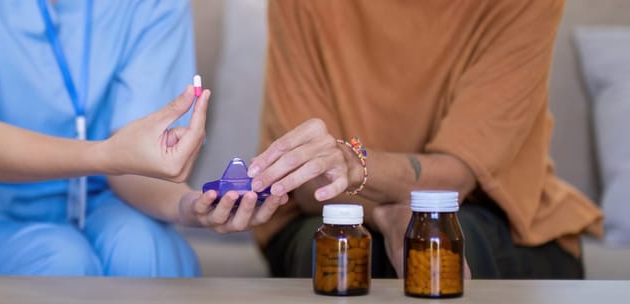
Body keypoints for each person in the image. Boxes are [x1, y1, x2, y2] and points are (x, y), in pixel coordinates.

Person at [0, 0, 286, 282]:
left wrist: (187, 205)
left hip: (92, 207)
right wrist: (105, 155)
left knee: (150, 256)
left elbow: (135, 162)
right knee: (59, 263)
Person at [249, 0, 603, 279]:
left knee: (439, 243)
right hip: (326, 213)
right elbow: (308, 179)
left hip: (489, 214)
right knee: (343, 250)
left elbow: (457, 176)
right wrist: (389, 216)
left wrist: (358, 167)